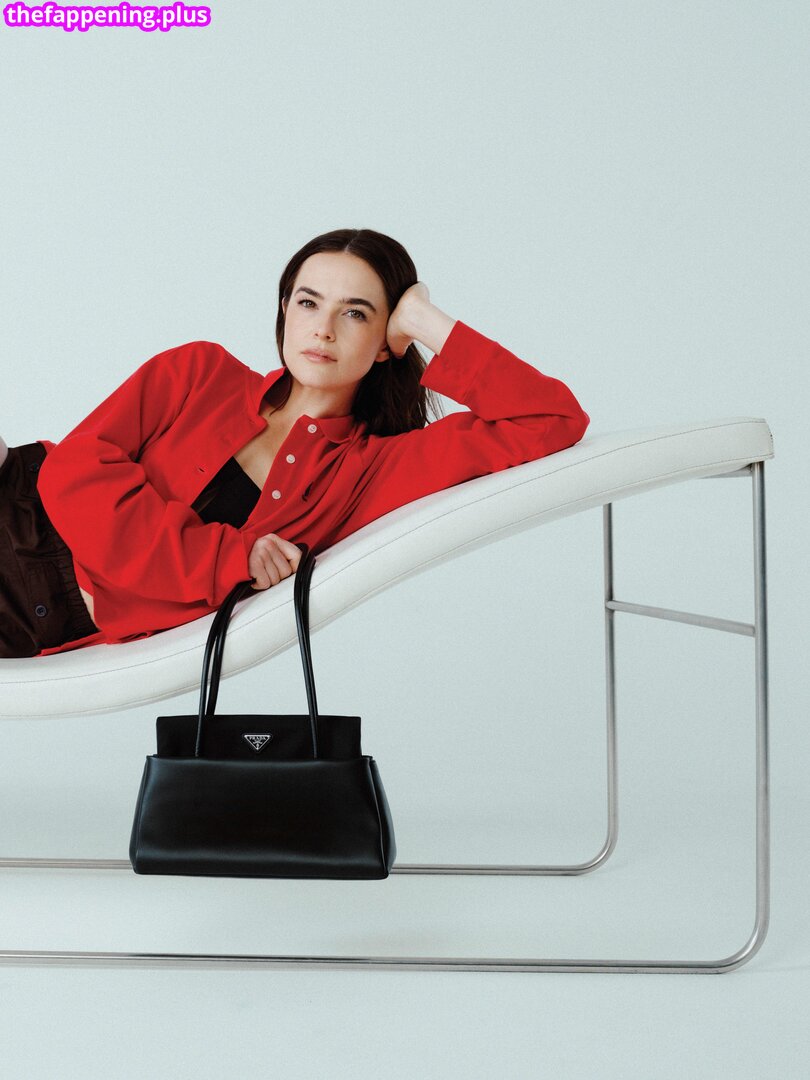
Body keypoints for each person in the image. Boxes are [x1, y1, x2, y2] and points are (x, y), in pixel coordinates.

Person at [0, 227, 591, 659]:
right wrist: (226, 559)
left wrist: (425, 320)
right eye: (308, 303)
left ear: (387, 343)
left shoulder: (372, 469)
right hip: (21, 496)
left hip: (42, 602)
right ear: (285, 310)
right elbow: (70, 471)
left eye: (356, 314)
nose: (322, 329)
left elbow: (551, 419)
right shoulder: (199, 371)